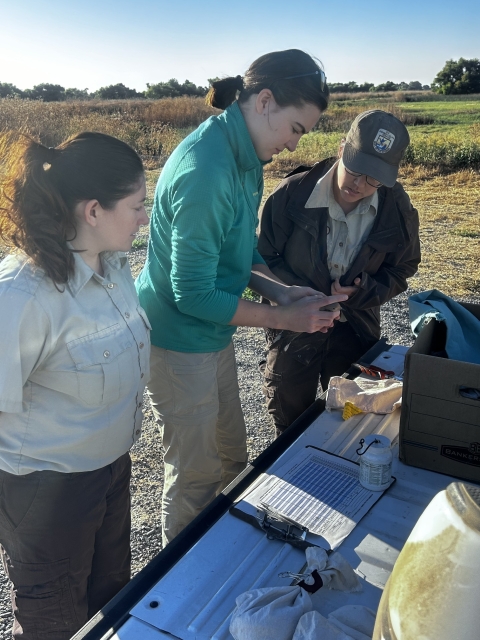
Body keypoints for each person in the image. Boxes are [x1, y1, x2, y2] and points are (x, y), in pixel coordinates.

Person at [135, 49, 347, 545]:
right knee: (194, 475)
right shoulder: (206, 171)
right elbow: (192, 294)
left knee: (232, 454)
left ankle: (221, 548)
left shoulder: (248, 154)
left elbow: (239, 249)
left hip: (212, 332)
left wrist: (281, 290)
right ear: (265, 102)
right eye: (295, 128)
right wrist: (284, 319)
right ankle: (181, 586)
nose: (295, 144)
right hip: (178, 336)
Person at [0, 131, 150, 639]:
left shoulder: (115, 267)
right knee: (55, 622)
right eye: (136, 206)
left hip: (109, 470)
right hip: (48, 492)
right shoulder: (22, 297)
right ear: (93, 211)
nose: (144, 218)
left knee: (110, 603)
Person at [258, 109, 421, 435]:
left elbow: (403, 267)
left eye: (375, 178)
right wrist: (294, 294)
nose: (360, 185)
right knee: (291, 416)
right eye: (356, 169)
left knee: (353, 416)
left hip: (356, 328)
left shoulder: (397, 208)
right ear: (342, 147)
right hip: (295, 327)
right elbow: (263, 258)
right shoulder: (291, 194)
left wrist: (365, 290)